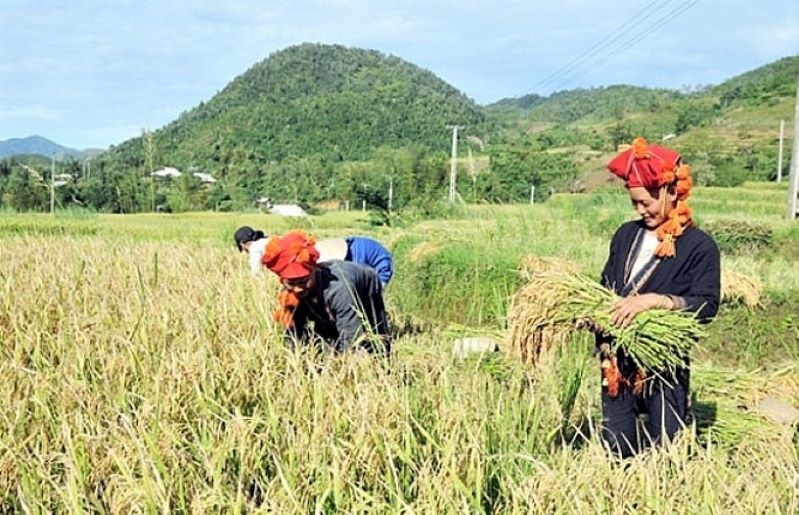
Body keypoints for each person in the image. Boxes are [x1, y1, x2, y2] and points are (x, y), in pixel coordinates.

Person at [598, 137, 720, 458]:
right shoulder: (626, 234)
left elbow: (707, 304)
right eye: (634, 203)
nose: (641, 210)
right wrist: (596, 312)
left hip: (664, 363)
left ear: (670, 193)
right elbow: (606, 284)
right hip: (617, 359)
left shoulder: (699, 246)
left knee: (666, 448)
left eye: (646, 203)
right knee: (617, 446)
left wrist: (656, 300)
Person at [262, 230, 391, 355]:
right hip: (323, 294)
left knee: (375, 332)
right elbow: (293, 331)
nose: (297, 289)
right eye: (290, 283)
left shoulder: (339, 288)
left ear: (314, 270)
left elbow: (351, 337)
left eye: (303, 281)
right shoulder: (289, 293)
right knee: (326, 334)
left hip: (366, 286)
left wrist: (346, 362)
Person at [234, 227, 394, 286]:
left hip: (368, 255)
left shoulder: (255, 248)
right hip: (357, 248)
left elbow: (255, 273)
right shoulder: (272, 241)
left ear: (244, 244)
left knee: (366, 301)